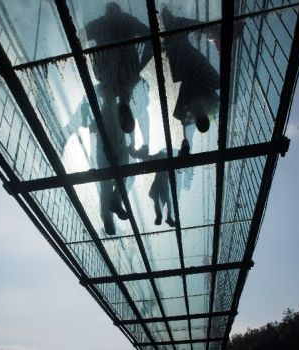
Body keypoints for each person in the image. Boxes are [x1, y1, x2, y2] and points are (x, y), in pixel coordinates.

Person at [85, 2, 152, 134]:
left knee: (116, 86)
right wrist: (143, 62)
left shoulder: (100, 23)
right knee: (123, 84)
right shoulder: (128, 20)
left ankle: (118, 106)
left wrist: (89, 55)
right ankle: (122, 104)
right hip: (127, 64)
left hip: (107, 65)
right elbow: (149, 35)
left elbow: (80, 36)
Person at [160, 7, 220, 155]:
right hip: (182, 63)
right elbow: (182, 124)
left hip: (186, 62)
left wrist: (184, 144)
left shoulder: (210, 106)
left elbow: (182, 125)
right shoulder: (190, 111)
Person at [130, 146, 176, 227]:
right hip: (162, 180)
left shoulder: (162, 156)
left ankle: (161, 216)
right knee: (164, 200)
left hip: (160, 180)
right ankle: (164, 216)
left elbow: (148, 159)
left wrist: (140, 155)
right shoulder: (164, 157)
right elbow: (149, 159)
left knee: (159, 199)